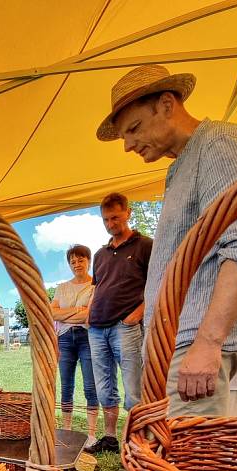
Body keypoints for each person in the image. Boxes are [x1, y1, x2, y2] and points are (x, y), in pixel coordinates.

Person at [97, 63, 237, 416]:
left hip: (199, 344)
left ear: (167, 104)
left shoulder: (219, 143)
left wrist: (208, 341)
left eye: (133, 128)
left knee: (195, 467)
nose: (128, 145)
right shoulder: (180, 166)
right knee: (183, 463)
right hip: (183, 343)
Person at [86, 193, 152, 453]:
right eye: (106, 219)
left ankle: (137, 441)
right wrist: (90, 314)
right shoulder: (100, 254)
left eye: (115, 217)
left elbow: (157, 285)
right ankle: (111, 437)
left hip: (124, 326)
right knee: (104, 386)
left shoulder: (145, 245)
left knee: (133, 385)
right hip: (97, 327)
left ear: (128, 213)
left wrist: (136, 315)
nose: (110, 223)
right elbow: (97, 287)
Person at [50, 244, 99, 448]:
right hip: (64, 338)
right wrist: (78, 311)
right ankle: (67, 430)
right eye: (72, 261)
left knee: (90, 385)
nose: (76, 264)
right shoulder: (62, 287)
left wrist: (67, 312)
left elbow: (91, 314)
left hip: (87, 337)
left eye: (80, 260)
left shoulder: (96, 286)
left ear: (88, 261)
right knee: (66, 385)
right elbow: (51, 313)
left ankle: (91, 434)